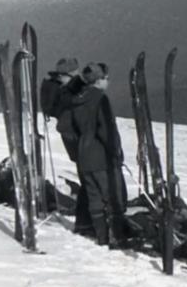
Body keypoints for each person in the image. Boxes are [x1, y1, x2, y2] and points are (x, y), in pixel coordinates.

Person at [71, 62, 126, 246]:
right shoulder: (100, 99)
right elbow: (106, 129)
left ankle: (102, 237)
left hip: (84, 156)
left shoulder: (78, 98)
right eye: (106, 78)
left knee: (94, 198)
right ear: (98, 80)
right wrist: (115, 152)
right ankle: (117, 237)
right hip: (101, 157)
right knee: (112, 196)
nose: (108, 81)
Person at [40, 58, 92, 235]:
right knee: (89, 179)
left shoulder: (64, 90)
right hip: (79, 139)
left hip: (75, 139)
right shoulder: (68, 93)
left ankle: (87, 221)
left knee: (87, 178)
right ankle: (86, 223)